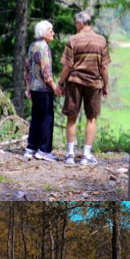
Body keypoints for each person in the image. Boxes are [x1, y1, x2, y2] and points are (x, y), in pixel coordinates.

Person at [57, 11, 110, 165]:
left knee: (71, 117)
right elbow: (104, 67)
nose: (75, 26)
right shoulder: (101, 41)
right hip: (94, 84)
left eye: (75, 23)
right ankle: (86, 155)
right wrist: (106, 85)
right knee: (91, 118)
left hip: (74, 82)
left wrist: (60, 84)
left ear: (80, 24)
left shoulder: (73, 40)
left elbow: (67, 66)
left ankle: (70, 154)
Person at [23, 20, 62, 162]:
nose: (53, 33)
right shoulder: (44, 47)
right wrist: (55, 87)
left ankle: (31, 147)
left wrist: (28, 87)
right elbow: (46, 72)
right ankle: (44, 150)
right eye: (50, 30)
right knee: (47, 119)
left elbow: (26, 68)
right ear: (43, 32)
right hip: (44, 89)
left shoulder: (33, 46)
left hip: (34, 88)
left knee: (36, 118)